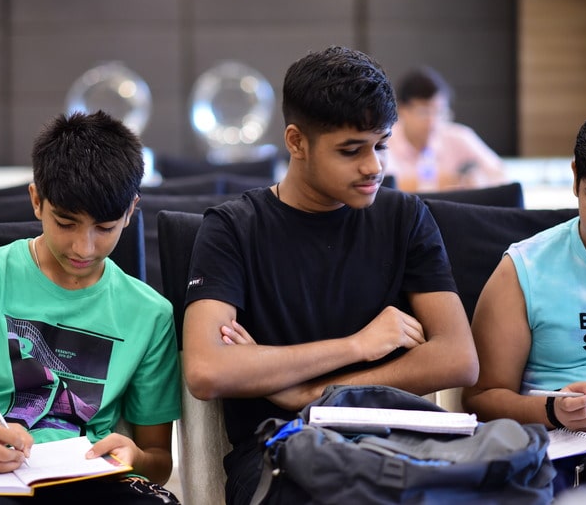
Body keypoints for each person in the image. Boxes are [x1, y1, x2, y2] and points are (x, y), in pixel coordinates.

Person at [182, 46, 479, 505]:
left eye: (381, 145)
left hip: (397, 443)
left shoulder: (405, 217)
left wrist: (316, 393)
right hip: (282, 453)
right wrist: (356, 346)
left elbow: (458, 358)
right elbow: (207, 369)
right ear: (296, 142)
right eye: (350, 150)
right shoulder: (233, 228)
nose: (374, 166)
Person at [0, 111, 181, 504]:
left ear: (130, 211)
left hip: (90, 485)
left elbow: (158, 459)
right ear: (37, 200)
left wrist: (134, 457)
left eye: (104, 228)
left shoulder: (150, 314)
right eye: (66, 223)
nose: (84, 247)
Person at [462, 97, 586, 491]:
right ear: (575, 178)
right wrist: (552, 409)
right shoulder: (524, 270)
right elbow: (480, 397)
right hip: (570, 466)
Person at [385, 66, 507, 192]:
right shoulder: (385, 139)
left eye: (440, 112)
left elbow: (499, 173)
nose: (433, 121)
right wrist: (448, 180)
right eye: (424, 112)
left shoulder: (459, 136)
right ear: (402, 110)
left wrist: (479, 180)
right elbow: (385, 187)